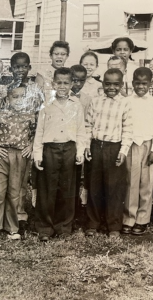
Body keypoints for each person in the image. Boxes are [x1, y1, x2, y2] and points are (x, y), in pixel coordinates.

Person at [33, 67, 86, 242]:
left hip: (69, 149)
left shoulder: (76, 105)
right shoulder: (46, 104)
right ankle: (45, 228)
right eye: (59, 83)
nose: (62, 86)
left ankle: (64, 226)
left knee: (67, 189)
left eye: (66, 83)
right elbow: (39, 131)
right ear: (53, 83)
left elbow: (80, 131)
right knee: (47, 189)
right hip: (50, 149)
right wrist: (38, 154)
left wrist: (79, 152)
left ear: (72, 84)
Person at [85, 69, 133, 238]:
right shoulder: (96, 101)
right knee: (94, 186)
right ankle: (93, 222)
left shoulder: (126, 103)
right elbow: (87, 125)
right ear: (103, 83)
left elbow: (128, 129)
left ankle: (113, 225)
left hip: (114, 148)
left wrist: (123, 150)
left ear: (121, 85)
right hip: (96, 146)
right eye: (108, 83)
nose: (111, 87)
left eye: (116, 84)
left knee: (114, 188)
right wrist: (86, 146)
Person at [6, 52, 45, 234]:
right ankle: (6, 219)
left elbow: (39, 119)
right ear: (11, 68)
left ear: (29, 68)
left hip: (26, 144)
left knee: (21, 184)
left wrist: (32, 145)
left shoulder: (35, 91)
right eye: (16, 67)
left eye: (24, 66)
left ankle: (20, 217)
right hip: (7, 143)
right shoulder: (5, 89)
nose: (20, 70)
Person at [122, 67, 153, 235]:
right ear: (132, 83)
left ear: (150, 83)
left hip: (147, 145)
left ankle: (142, 219)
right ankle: (128, 218)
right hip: (131, 144)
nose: (140, 87)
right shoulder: (126, 101)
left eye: (144, 83)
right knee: (130, 182)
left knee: (146, 184)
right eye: (137, 83)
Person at [0, 86, 38, 240]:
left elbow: (37, 133)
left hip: (20, 154)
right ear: (8, 98)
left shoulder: (30, 115)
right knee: (0, 190)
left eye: (22, 97)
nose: (18, 100)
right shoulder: (2, 114)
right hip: (2, 154)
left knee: (14, 192)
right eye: (14, 97)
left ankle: (12, 227)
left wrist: (31, 146)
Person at [69, 64, 92, 227]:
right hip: (67, 141)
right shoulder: (61, 96)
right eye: (74, 80)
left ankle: (81, 208)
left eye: (81, 80)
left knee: (82, 175)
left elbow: (88, 122)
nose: (77, 84)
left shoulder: (87, 99)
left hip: (81, 140)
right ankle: (69, 209)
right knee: (70, 177)